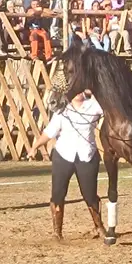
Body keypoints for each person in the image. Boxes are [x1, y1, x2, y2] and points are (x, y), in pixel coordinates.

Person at [27, 89, 106, 241]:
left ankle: (99, 226)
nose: (78, 92)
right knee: (58, 194)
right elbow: (50, 132)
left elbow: (110, 110)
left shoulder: (94, 105)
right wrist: (35, 147)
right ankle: (57, 232)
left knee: (90, 194)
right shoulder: (63, 110)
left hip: (87, 155)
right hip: (63, 155)